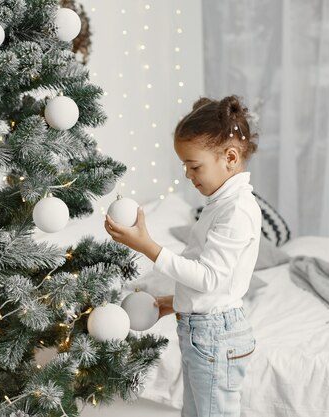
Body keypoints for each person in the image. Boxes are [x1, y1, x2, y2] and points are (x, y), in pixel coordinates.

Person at [104, 95, 261, 417]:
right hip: (205, 330)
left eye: (194, 165)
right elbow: (214, 285)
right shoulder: (221, 203)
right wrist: (173, 301)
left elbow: (209, 278)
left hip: (215, 334)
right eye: (185, 166)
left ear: (230, 157)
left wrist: (147, 245)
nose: (189, 175)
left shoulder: (237, 211)